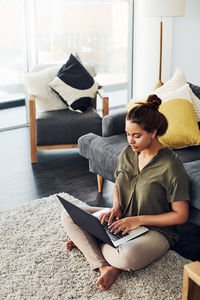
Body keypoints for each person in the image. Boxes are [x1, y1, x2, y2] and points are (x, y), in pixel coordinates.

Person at [61, 94, 190, 291]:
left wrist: (137, 220)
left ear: (153, 132)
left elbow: (181, 215)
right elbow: (118, 186)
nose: (130, 141)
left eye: (136, 135)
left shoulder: (172, 166)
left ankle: (91, 243)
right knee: (68, 215)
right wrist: (116, 207)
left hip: (156, 232)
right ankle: (104, 265)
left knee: (127, 257)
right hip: (123, 221)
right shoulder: (128, 153)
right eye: (127, 134)